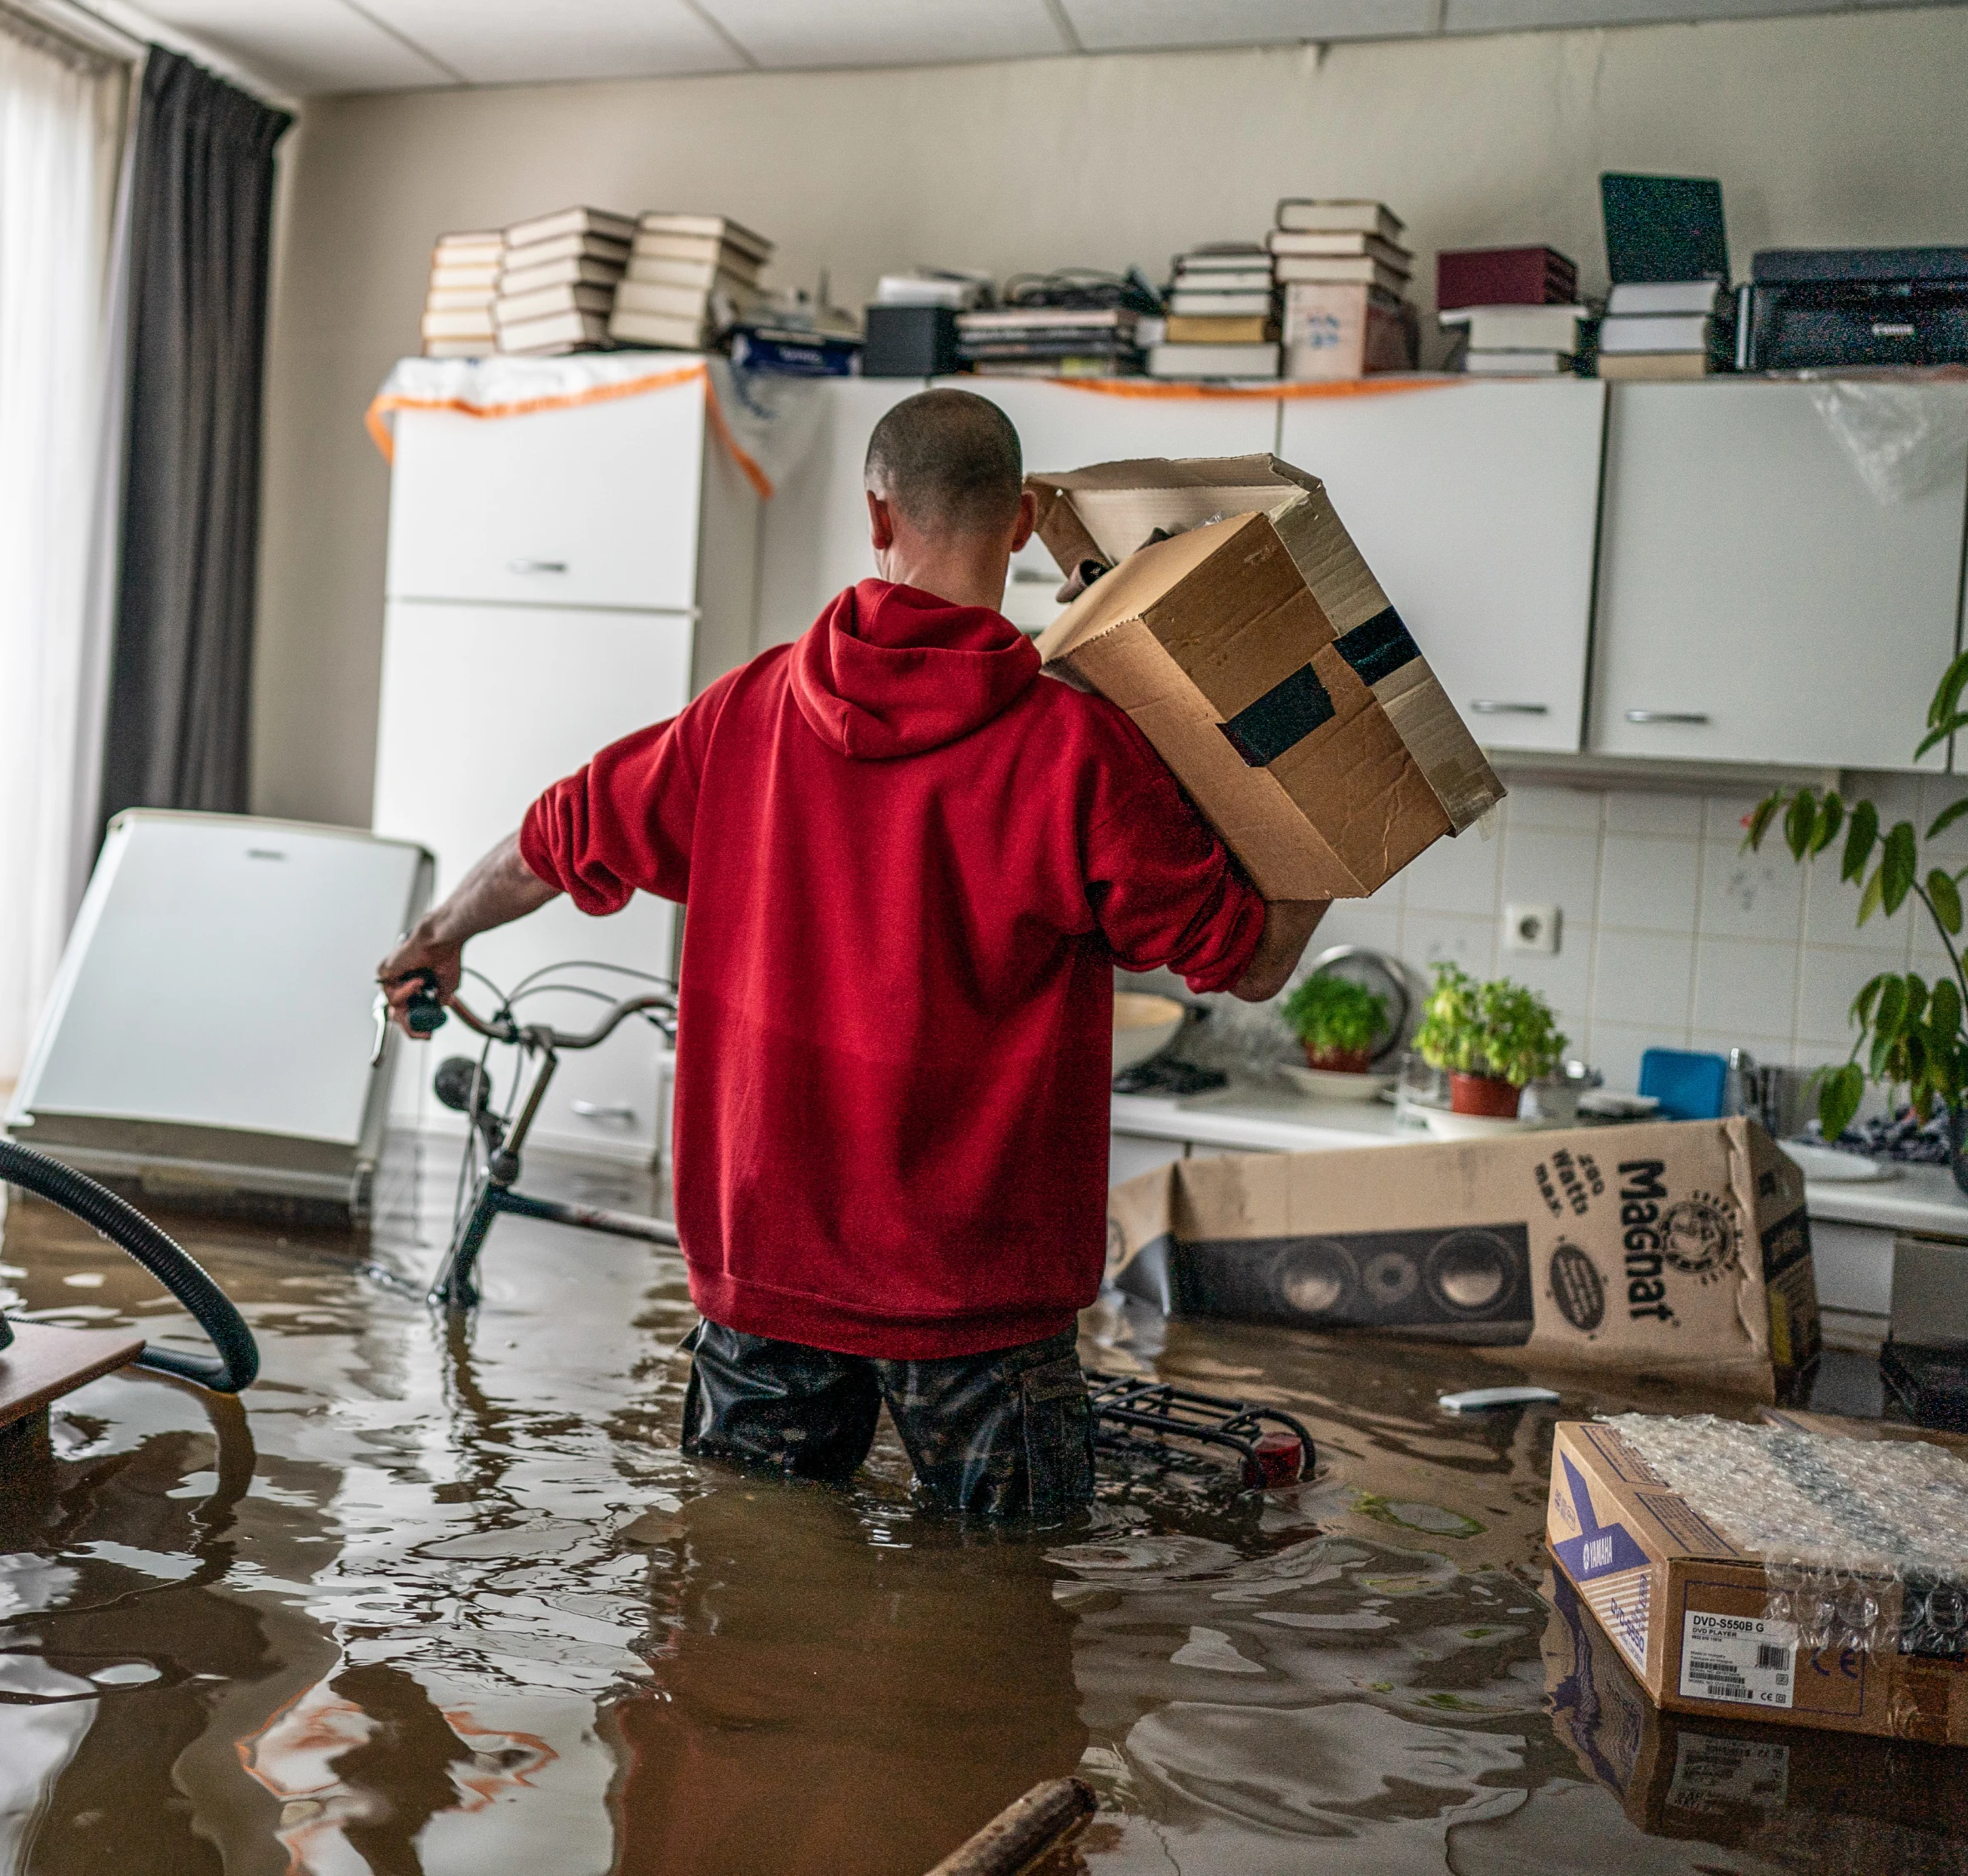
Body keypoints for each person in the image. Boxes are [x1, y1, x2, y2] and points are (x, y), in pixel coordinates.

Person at [376, 387, 1328, 1528]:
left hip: (766, 1277)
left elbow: (557, 832)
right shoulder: (1081, 753)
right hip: (983, 1304)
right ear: (1024, 522)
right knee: (1005, 1637)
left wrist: (443, 935)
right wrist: (1329, 823)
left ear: (876, 516)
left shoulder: (743, 713)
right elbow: (1248, 958)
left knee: (743, 1612)